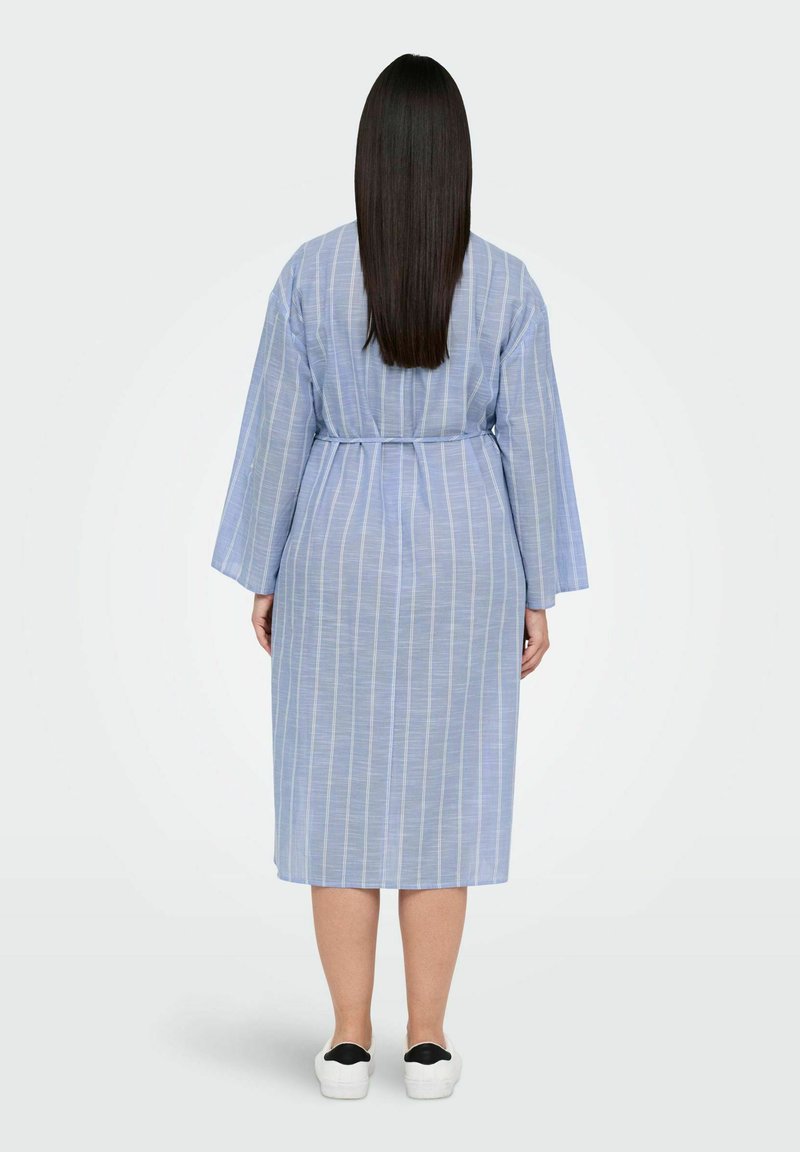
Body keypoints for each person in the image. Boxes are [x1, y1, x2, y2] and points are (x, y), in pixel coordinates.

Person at [211, 53, 589, 1100]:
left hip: (334, 541)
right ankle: (426, 1041)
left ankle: (345, 1041)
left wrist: (263, 568)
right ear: (457, 160)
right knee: (445, 791)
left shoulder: (309, 274)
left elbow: (278, 430)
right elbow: (532, 441)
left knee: (334, 785)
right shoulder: (505, 283)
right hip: (470, 548)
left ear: (368, 158)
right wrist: (537, 588)